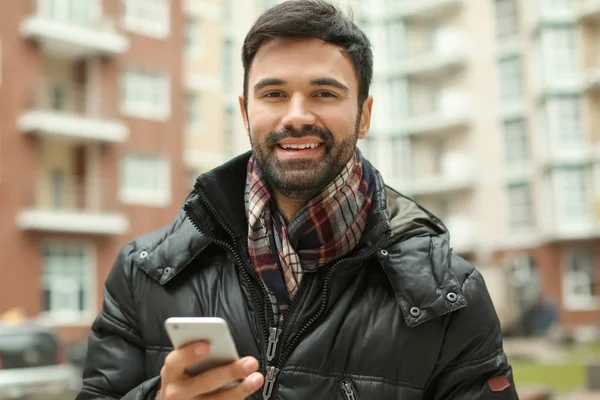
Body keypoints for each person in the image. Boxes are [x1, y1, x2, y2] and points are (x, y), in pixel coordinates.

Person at [76, 1, 519, 399]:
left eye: (324, 93)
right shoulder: (144, 274)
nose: (297, 116)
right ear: (246, 112)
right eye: (274, 94)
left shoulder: (447, 296)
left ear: (364, 115)